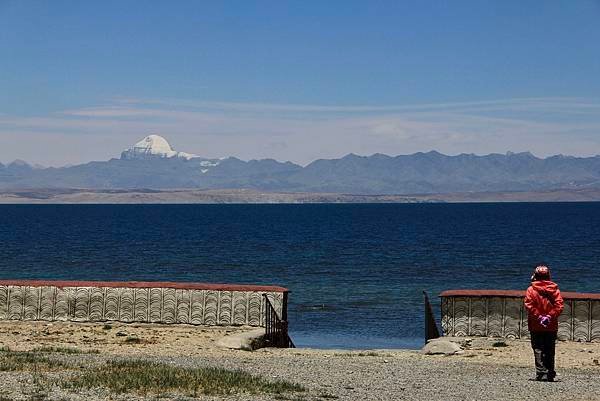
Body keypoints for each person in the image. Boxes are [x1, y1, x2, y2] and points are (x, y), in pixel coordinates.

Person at [524, 265, 564, 382]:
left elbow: (529, 306)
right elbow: (559, 305)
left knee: (538, 348)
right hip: (551, 325)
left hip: (535, 324)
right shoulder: (554, 289)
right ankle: (550, 373)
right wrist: (549, 316)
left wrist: (539, 316)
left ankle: (541, 373)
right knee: (550, 349)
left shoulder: (531, 290)